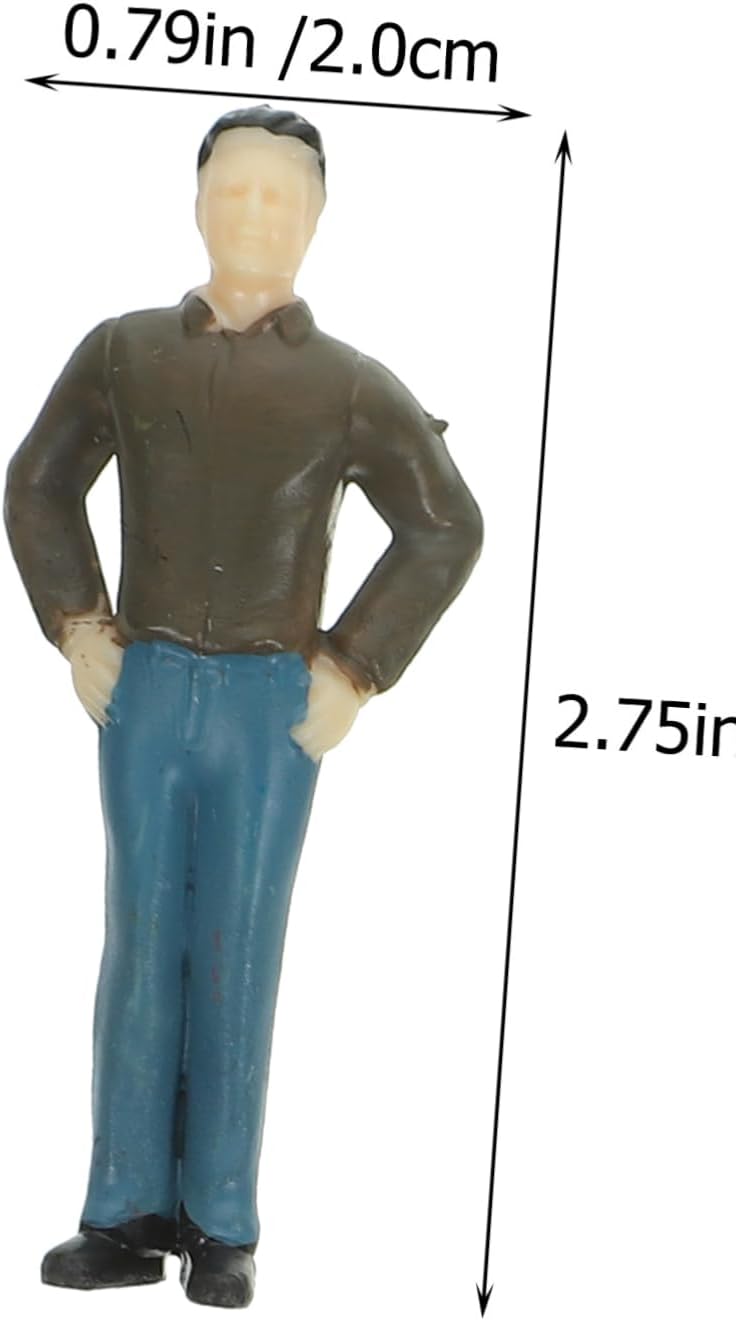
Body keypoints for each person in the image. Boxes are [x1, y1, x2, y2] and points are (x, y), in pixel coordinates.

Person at [4, 104, 483, 1308]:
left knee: (240, 948)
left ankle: (221, 1221)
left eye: (280, 196)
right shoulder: (124, 351)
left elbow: (444, 526)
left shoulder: (347, 384)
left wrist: (354, 664)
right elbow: (38, 482)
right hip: (147, 686)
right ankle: (123, 1209)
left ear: (316, 219)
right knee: (139, 945)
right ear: (198, 201)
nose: (254, 214)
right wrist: (78, 623)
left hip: (274, 704)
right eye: (233, 189)